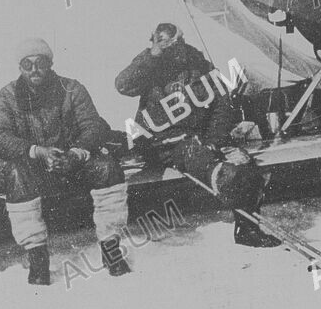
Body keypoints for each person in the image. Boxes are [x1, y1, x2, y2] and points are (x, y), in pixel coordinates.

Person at [115, 23, 279, 247]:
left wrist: (214, 142)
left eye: (177, 43)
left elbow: (222, 107)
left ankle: (247, 229)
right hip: (162, 144)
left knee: (241, 164)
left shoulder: (198, 64)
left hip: (199, 139)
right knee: (211, 164)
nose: (174, 50)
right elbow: (123, 85)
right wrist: (152, 54)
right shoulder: (150, 67)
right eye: (165, 44)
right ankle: (224, 181)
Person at [0, 38, 130, 285]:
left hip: (72, 163)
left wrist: (76, 153)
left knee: (107, 167)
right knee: (14, 174)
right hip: (33, 166)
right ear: (19, 68)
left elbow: (93, 126)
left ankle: (111, 249)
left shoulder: (72, 89)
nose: (34, 69)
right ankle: (38, 259)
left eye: (40, 62)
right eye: (27, 64)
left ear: (50, 63)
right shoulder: (7, 96)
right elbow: (0, 137)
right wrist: (36, 151)